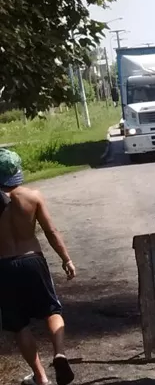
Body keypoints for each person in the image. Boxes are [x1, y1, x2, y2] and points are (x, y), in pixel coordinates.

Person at [0, 148, 76, 385]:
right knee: (51, 310)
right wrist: (66, 259)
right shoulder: (33, 196)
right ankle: (60, 352)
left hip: (4, 266)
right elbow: (51, 231)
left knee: (19, 324)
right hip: (33, 260)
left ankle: (41, 378)